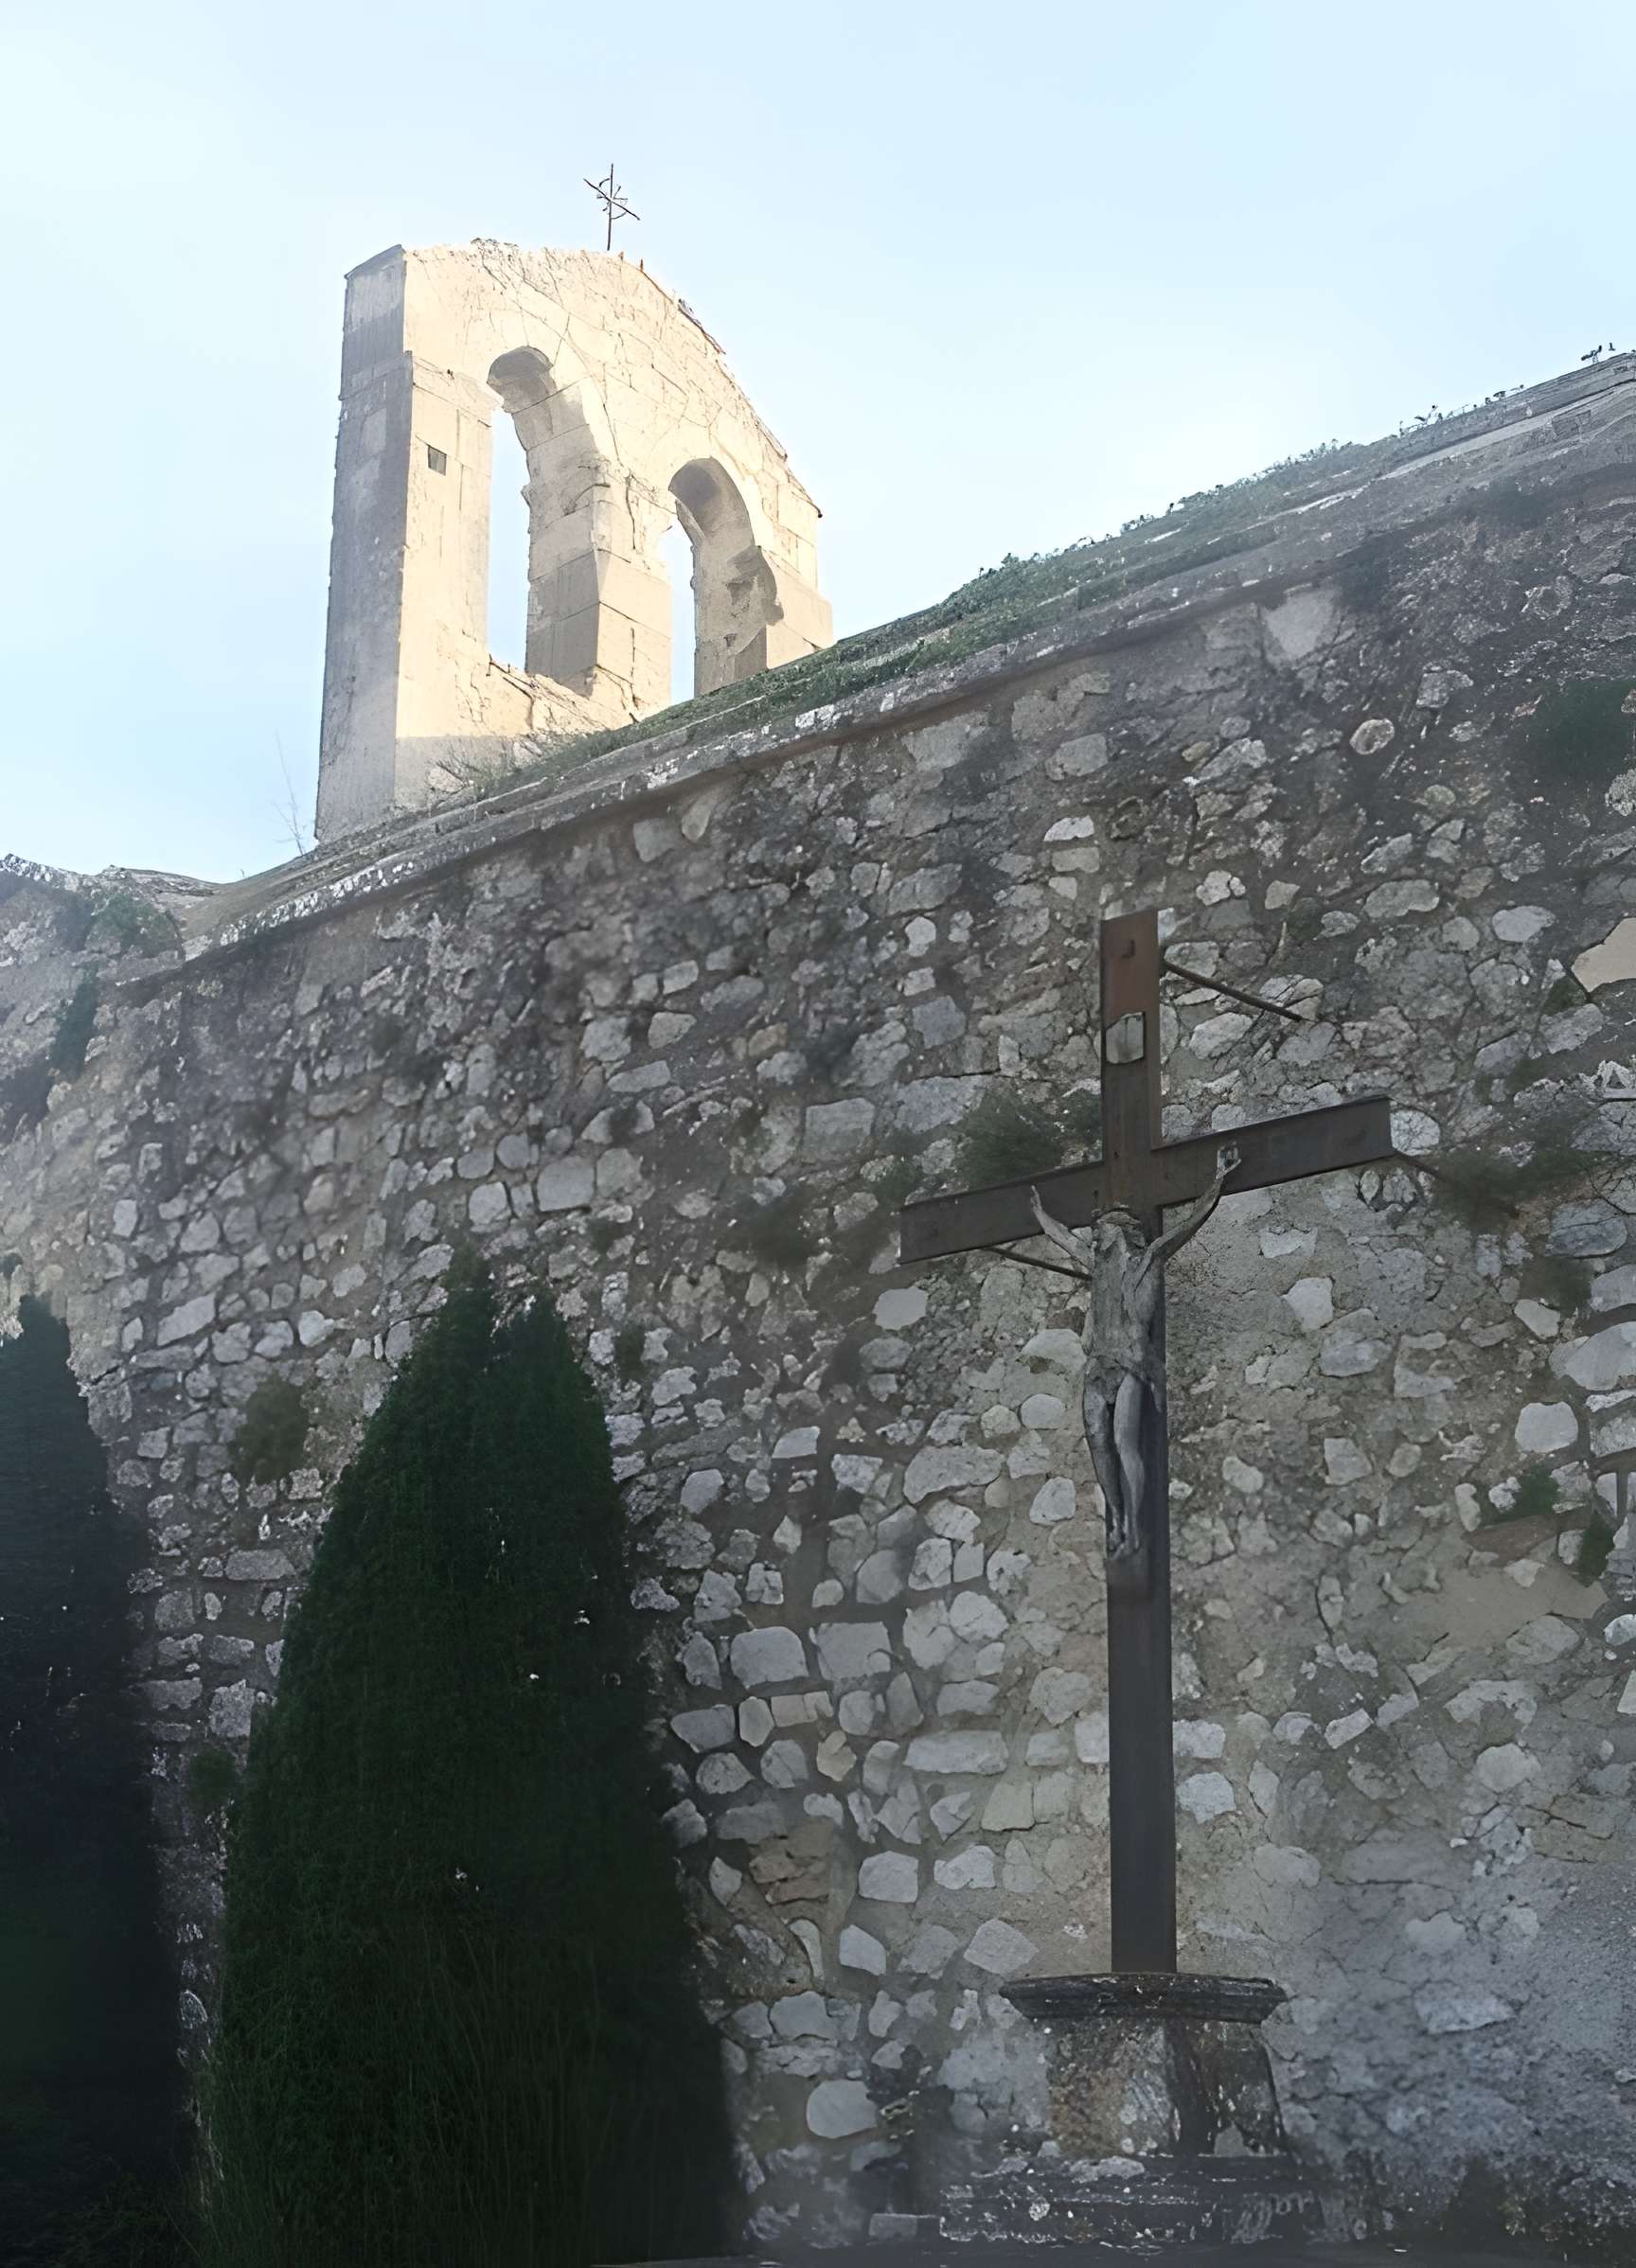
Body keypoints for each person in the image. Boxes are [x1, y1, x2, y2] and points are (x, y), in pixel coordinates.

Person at [1028, 1144, 1240, 1558]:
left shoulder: (1148, 1259)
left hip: (1131, 1365)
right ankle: (1116, 1519)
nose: (1095, 1237)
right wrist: (1039, 1214)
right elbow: (1062, 1238)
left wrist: (1218, 1179)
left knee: (1125, 1443)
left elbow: (1190, 1224)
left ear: (1118, 1232)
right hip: (1099, 1366)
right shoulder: (1097, 1266)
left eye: (1101, 1231)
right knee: (1098, 1443)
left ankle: (1133, 1528)